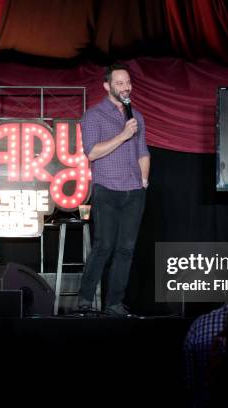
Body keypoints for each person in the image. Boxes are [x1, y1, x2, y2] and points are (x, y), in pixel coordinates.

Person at [78, 63, 150, 317]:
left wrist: (144, 180)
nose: (125, 87)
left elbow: (143, 152)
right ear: (107, 86)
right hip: (107, 188)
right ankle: (85, 299)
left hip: (134, 191)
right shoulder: (94, 115)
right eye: (119, 83)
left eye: (127, 82)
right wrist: (122, 135)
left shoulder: (136, 116)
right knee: (104, 246)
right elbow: (92, 152)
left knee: (126, 249)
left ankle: (114, 303)